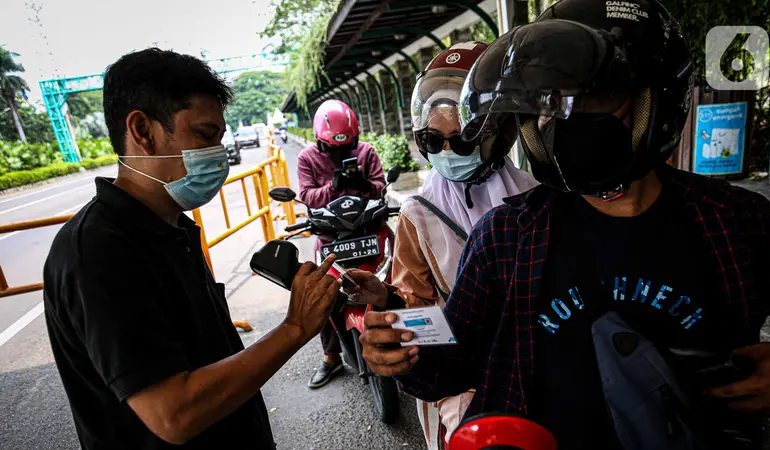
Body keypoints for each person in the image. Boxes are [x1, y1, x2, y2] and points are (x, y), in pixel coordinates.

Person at [353, 1, 770, 449]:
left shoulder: (735, 221)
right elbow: (451, 365)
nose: (565, 120)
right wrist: (403, 353)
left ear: (655, 101)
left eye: (594, 99)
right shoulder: (505, 236)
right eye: (549, 105)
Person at [43, 49, 340, 449]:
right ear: (143, 131)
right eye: (204, 135)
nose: (220, 155)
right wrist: (294, 328)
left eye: (219, 137)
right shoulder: (98, 253)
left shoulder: (172, 225)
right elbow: (174, 414)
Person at [345, 42, 536, 449]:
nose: (447, 152)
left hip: (539, 361)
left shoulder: (537, 198)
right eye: (434, 141)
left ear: (496, 133)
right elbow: (421, 314)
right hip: (460, 379)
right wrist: (388, 301)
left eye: (462, 140)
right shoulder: (420, 214)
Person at [296, 99, 387, 388]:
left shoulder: (366, 152)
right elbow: (307, 196)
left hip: (368, 231)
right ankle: (331, 356)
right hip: (331, 237)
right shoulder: (307, 158)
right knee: (322, 291)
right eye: (333, 149)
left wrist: (362, 184)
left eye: (346, 147)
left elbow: (380, 187)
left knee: (396, 276)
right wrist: (332, 186)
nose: (340, 153)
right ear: (320, 142)